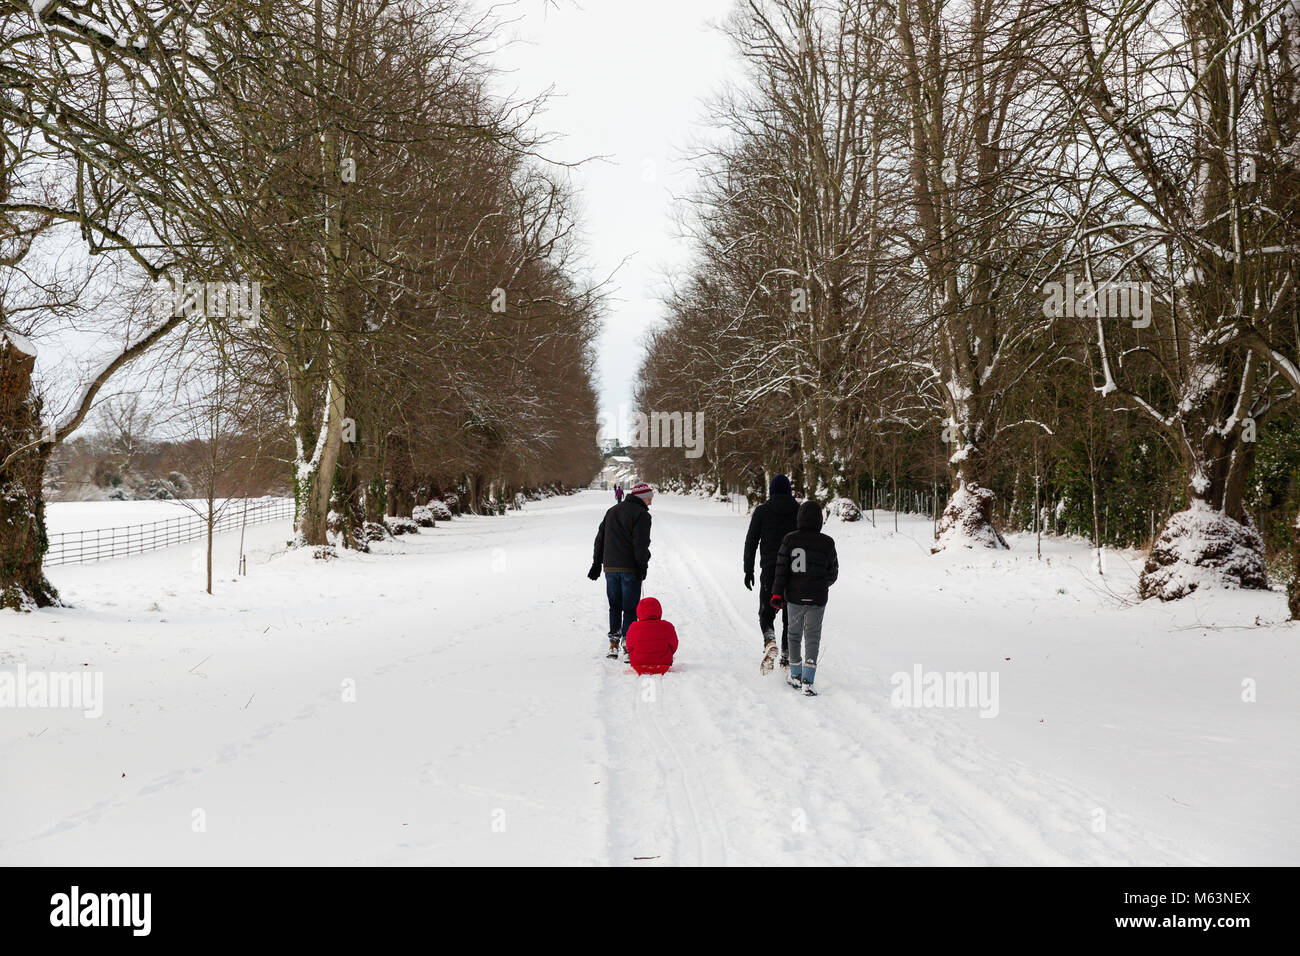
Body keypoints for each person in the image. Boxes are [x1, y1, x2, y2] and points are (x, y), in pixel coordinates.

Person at [770, 499, 838, 696]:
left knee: (794, 634)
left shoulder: (790, 540)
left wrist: (776, 592)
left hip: (795, 596)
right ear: (820, 520)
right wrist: (821, 585)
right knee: (813, 636)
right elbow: (833, 572)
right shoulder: (827, 542)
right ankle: (809, 680)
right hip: (817, 598)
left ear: (799, 518)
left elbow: (781, 570)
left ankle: (795, 674)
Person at [588, 481, 654, 659]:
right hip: (630, 569)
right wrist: (642, 566)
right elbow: (640, 545)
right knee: (630, 608)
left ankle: (613, 643)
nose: (651, 502)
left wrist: (597, 563)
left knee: (614, 606)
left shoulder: (612, 511)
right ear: (641, 497)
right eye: (649, 498)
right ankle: (628, 645)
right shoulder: (642, 515)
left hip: (610, 568)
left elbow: (599, 539)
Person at [743, 473, 799, 673]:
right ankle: (785, 657)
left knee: (766, 612)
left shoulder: (762, 511)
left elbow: (751, 541)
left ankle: (770, 641)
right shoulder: (798, 510)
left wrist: (748, 569)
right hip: (794, 571)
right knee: (789, 616)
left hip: (770, 570)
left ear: (771, 491)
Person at [625, 596, 678, 675]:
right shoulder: (667, 626)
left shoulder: (633, 627)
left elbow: (629, 647)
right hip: (663, 665)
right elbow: (674, 645)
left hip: (638, 665)